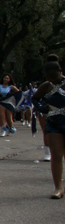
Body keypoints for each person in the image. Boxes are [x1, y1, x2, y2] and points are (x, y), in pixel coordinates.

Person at [33, 60, 65, 199]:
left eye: (54, 76)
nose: (51, 79)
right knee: (56, 155)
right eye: (48, 76)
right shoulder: (46, 86)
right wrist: (42, 107)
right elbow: (35, 99)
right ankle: (58, 187)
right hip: (53, 122)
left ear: (60, 71)